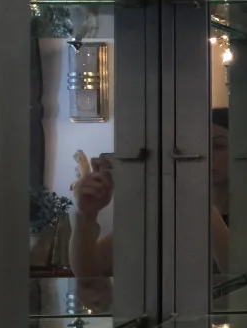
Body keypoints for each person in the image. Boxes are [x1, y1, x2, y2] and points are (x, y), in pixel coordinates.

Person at [69, 109, 231, 277]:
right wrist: (88, 215)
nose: (205, 155)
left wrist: (205, 212)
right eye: (195, 146)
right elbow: (90, 271)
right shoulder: (168, 209)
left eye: (217, 146)